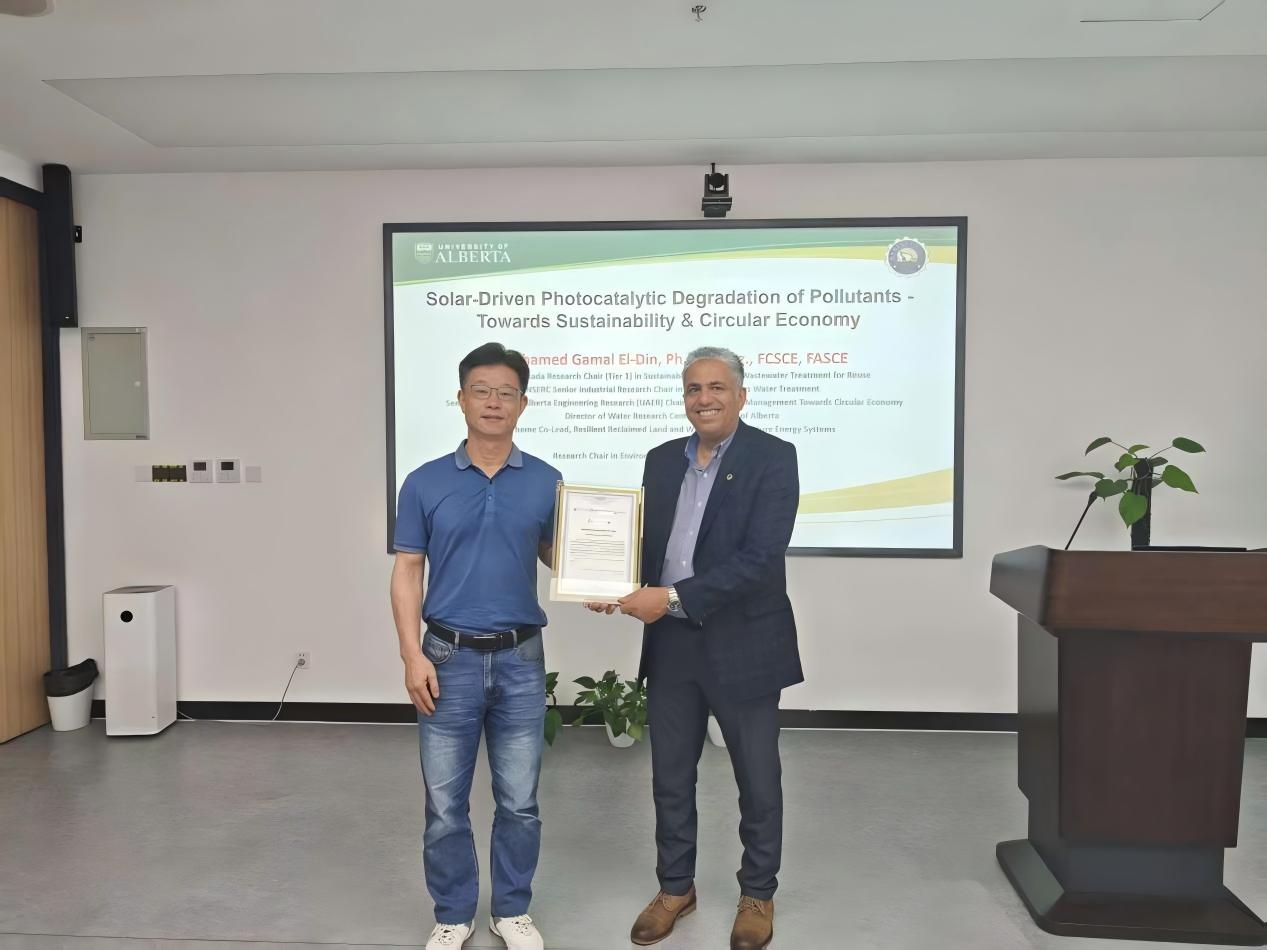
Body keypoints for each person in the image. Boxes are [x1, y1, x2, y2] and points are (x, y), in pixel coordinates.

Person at [590, 345, 802, 950]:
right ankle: (675, 888)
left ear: (741, 395)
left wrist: (673, 597)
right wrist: (610, 582)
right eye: (692, 388)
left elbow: (761, 560)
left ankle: (757, 892)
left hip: (744, 641)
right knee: (670, 775)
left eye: (716, 387)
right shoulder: (661, 460)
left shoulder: (774, 457)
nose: (703, 399)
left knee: (757, 778)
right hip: (673, 646)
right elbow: (646, 547)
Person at [391, 342, 559, 950]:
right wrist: (411, 654)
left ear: (522, 404)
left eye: (506, 392)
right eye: (482, 391)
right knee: (444, 803)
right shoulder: (424, 481)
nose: (493, 402)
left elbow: (556, 554)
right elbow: (408, 570)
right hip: (446, 658)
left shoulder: (546, 481)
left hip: (520, 659)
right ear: (461, 399)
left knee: (520, 801)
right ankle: (453, 913)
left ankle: (511, 910)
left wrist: (598, 577)